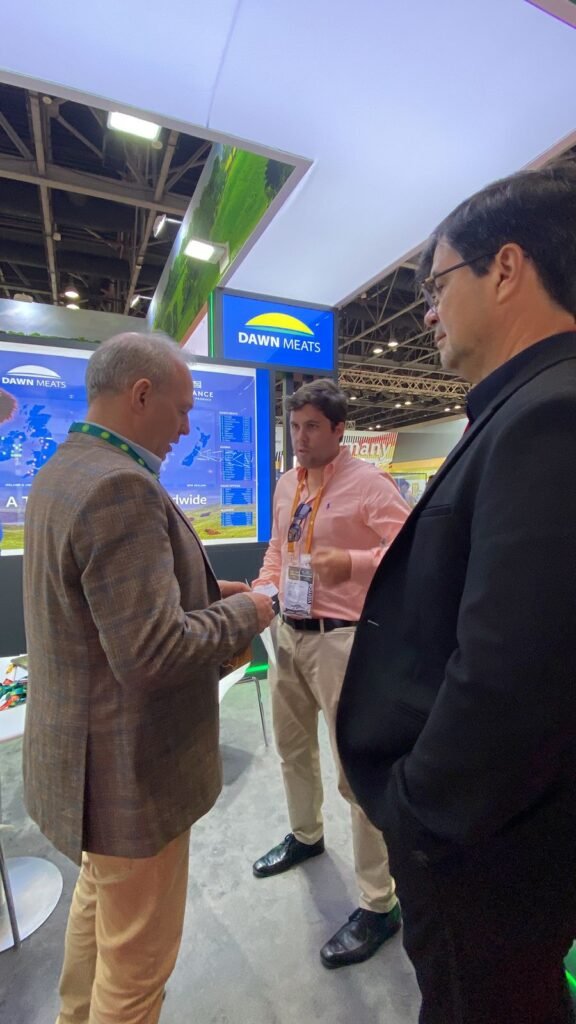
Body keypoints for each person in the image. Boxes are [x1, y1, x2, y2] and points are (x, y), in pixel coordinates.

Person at [337, 161, 576, 1023]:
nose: (429, 311)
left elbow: (514, 673)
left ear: (505, 268)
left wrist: (419, 816)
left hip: (484, 847)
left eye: (438, 285)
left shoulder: (548, 415)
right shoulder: (524, 406)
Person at [22, 332, 274, 1024]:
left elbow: (105, 610)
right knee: (136, 972)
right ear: (140, 394)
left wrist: (204, 594)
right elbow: (152, 653)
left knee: (99, 911)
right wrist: (248, 612)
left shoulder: (63, 469)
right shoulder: (121, 486)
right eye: (183, 408)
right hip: (129, 774)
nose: (187, 426)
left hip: (86, 770)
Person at [252, 379, 410, 968]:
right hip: (287, 633)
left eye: (313, 427)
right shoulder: (287, 483)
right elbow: (278, 549)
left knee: (355, 773)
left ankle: (379, 902)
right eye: (295, 427)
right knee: (293, 749)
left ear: (340, 430)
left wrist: (354, 561)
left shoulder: (369, 485)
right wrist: (264, 593)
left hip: (342, 642)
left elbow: (411, 548)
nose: (300, 438)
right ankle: (306, 835)